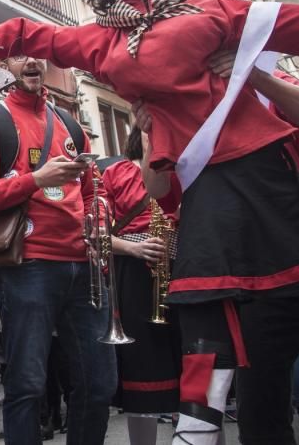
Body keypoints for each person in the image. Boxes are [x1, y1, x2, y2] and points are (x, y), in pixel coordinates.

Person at [0, 0, 299, 444]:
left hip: (281, 194)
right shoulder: (103, 42)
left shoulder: (216, 11)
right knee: (222, 356)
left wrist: (249, 67)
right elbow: (29, 35)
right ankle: (194, 433)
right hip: (210, 209)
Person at [0, 54, 113, 445]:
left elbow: (94, 188)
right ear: (5, 65)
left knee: (100, 385)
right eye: (20, 54)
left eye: (38, 54)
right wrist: (36, 179)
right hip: (28, 266)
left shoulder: (69, 123)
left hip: (84, 264)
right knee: (26, 385)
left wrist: (100, 215)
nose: (32, 61)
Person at [103, 126, 181, 445]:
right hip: (133, 273)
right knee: (142, 367)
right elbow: (95, 232)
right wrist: (134, 248)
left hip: (179, 268)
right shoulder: (115, 172)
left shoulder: (180, 169)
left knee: (188, 365)